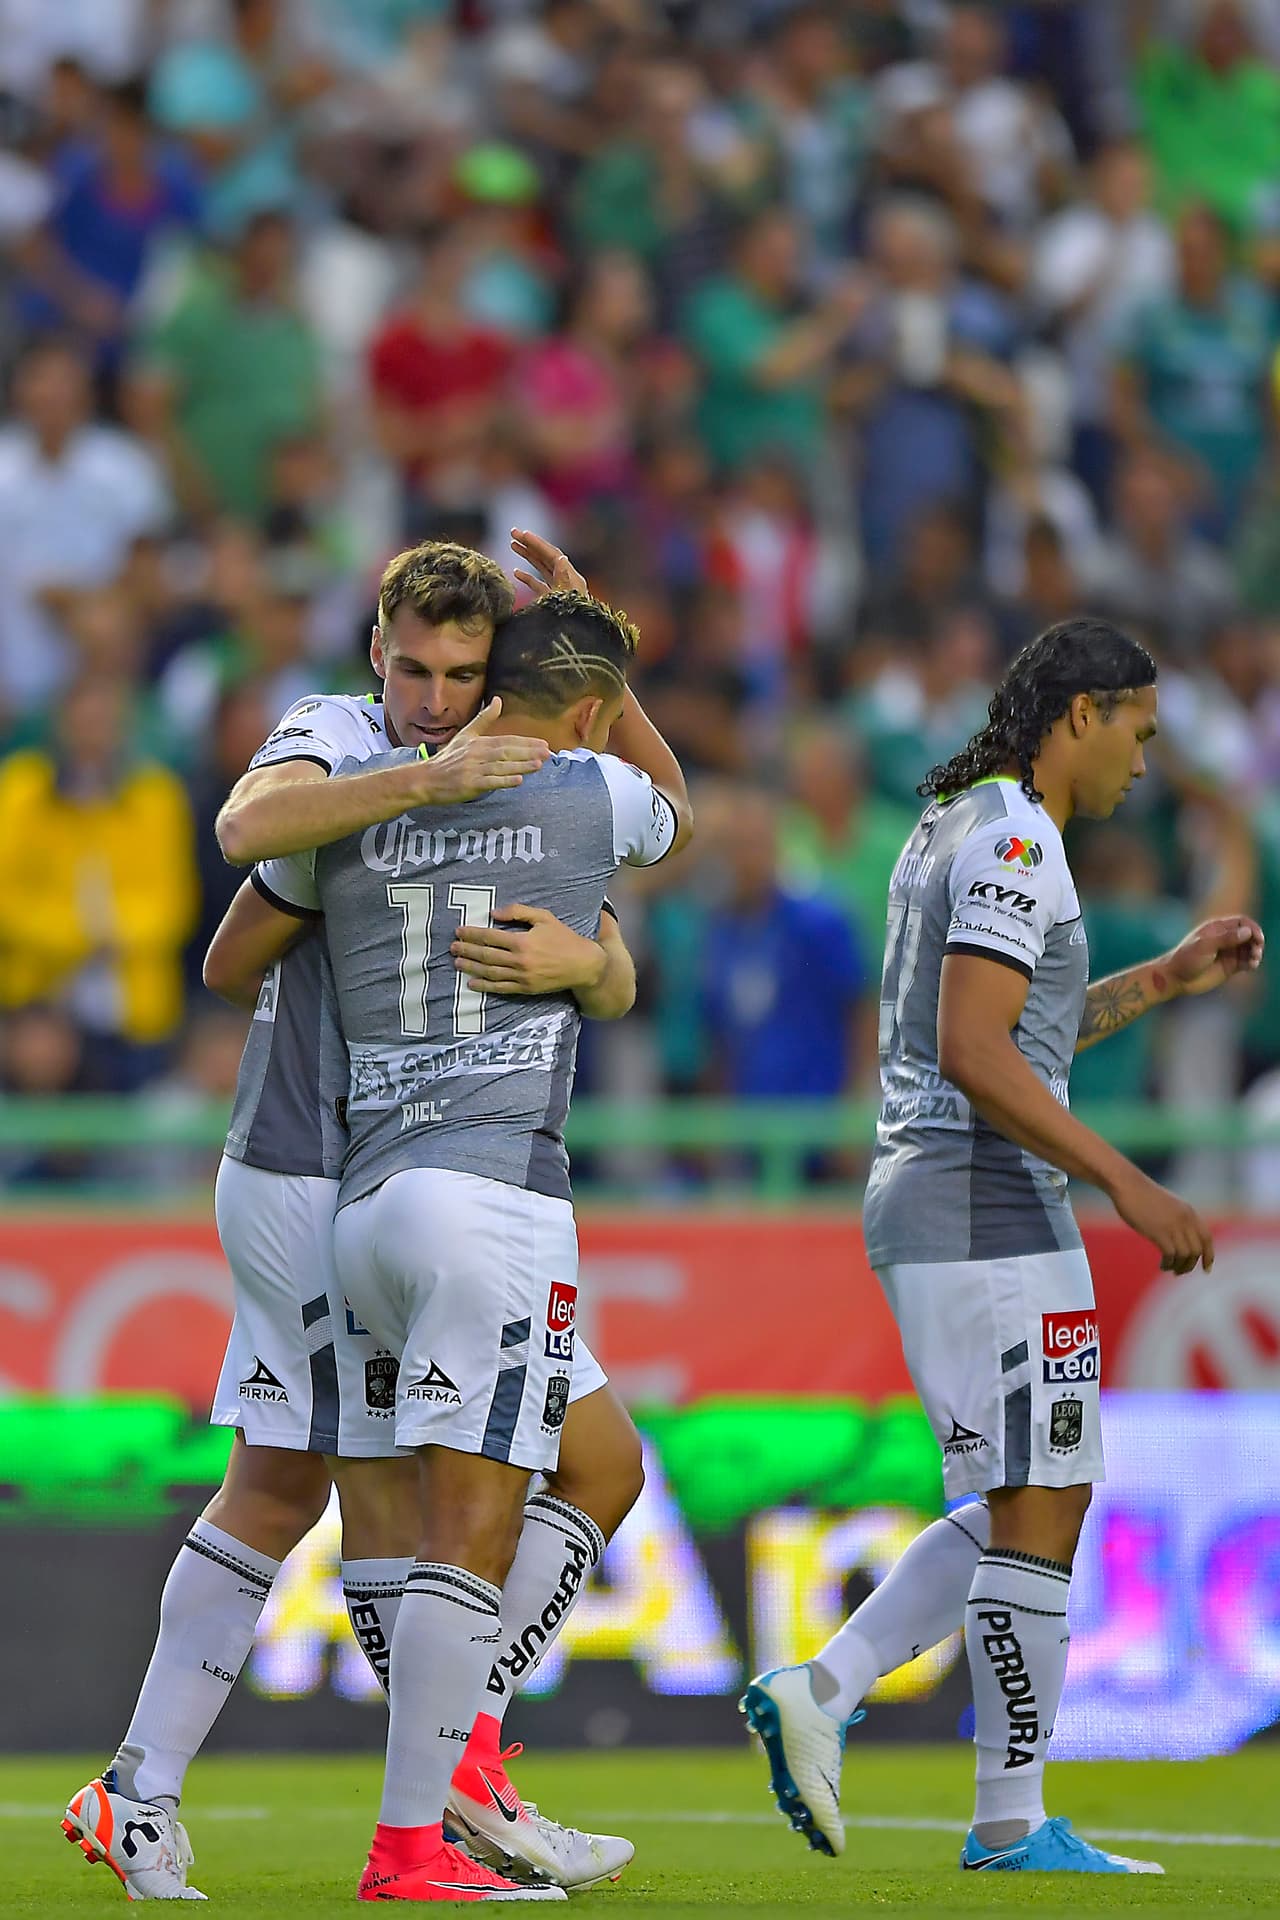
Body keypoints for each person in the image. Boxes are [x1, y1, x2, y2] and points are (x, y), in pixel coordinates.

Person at [61, 542, 650, 1898]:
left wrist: (594, 958)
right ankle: (427, 1801)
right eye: (412, 669)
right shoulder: (335, 737)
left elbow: (604, 941)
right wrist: (388, 837)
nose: (435, 701)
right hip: (315, 1168)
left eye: (462, 677)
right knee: (366, 1501)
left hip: (398, 1171)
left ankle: (402, 1778)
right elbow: (236, 885)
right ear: (374, 653)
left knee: (565, 1464)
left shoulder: (529, 779)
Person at [741, 617, 1263, 1875]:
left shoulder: (963, 824)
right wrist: (1126, 1181)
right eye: (1134, 731)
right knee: (1043, 1496)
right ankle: (1006, 1820)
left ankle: (829, 1690)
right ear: (1078, 717)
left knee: (1032, 1493)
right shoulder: (1022, 844)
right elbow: (975, 1057)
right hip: (981, 1198)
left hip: (951, 1196)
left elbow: (1014, 1030)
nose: (1141, 762)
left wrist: (1168, 978)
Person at [253, 589, 692, 1900]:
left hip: (369, 1202)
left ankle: (468, 1750)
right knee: (474, 1528)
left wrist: (594, 970)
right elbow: (678, 808)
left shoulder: (370, 784)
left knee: (601, 1462)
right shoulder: (592, 796)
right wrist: (598, 966)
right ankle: (415, 1837)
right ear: (598, 711)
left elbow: (239, 937)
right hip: (489, 1197)